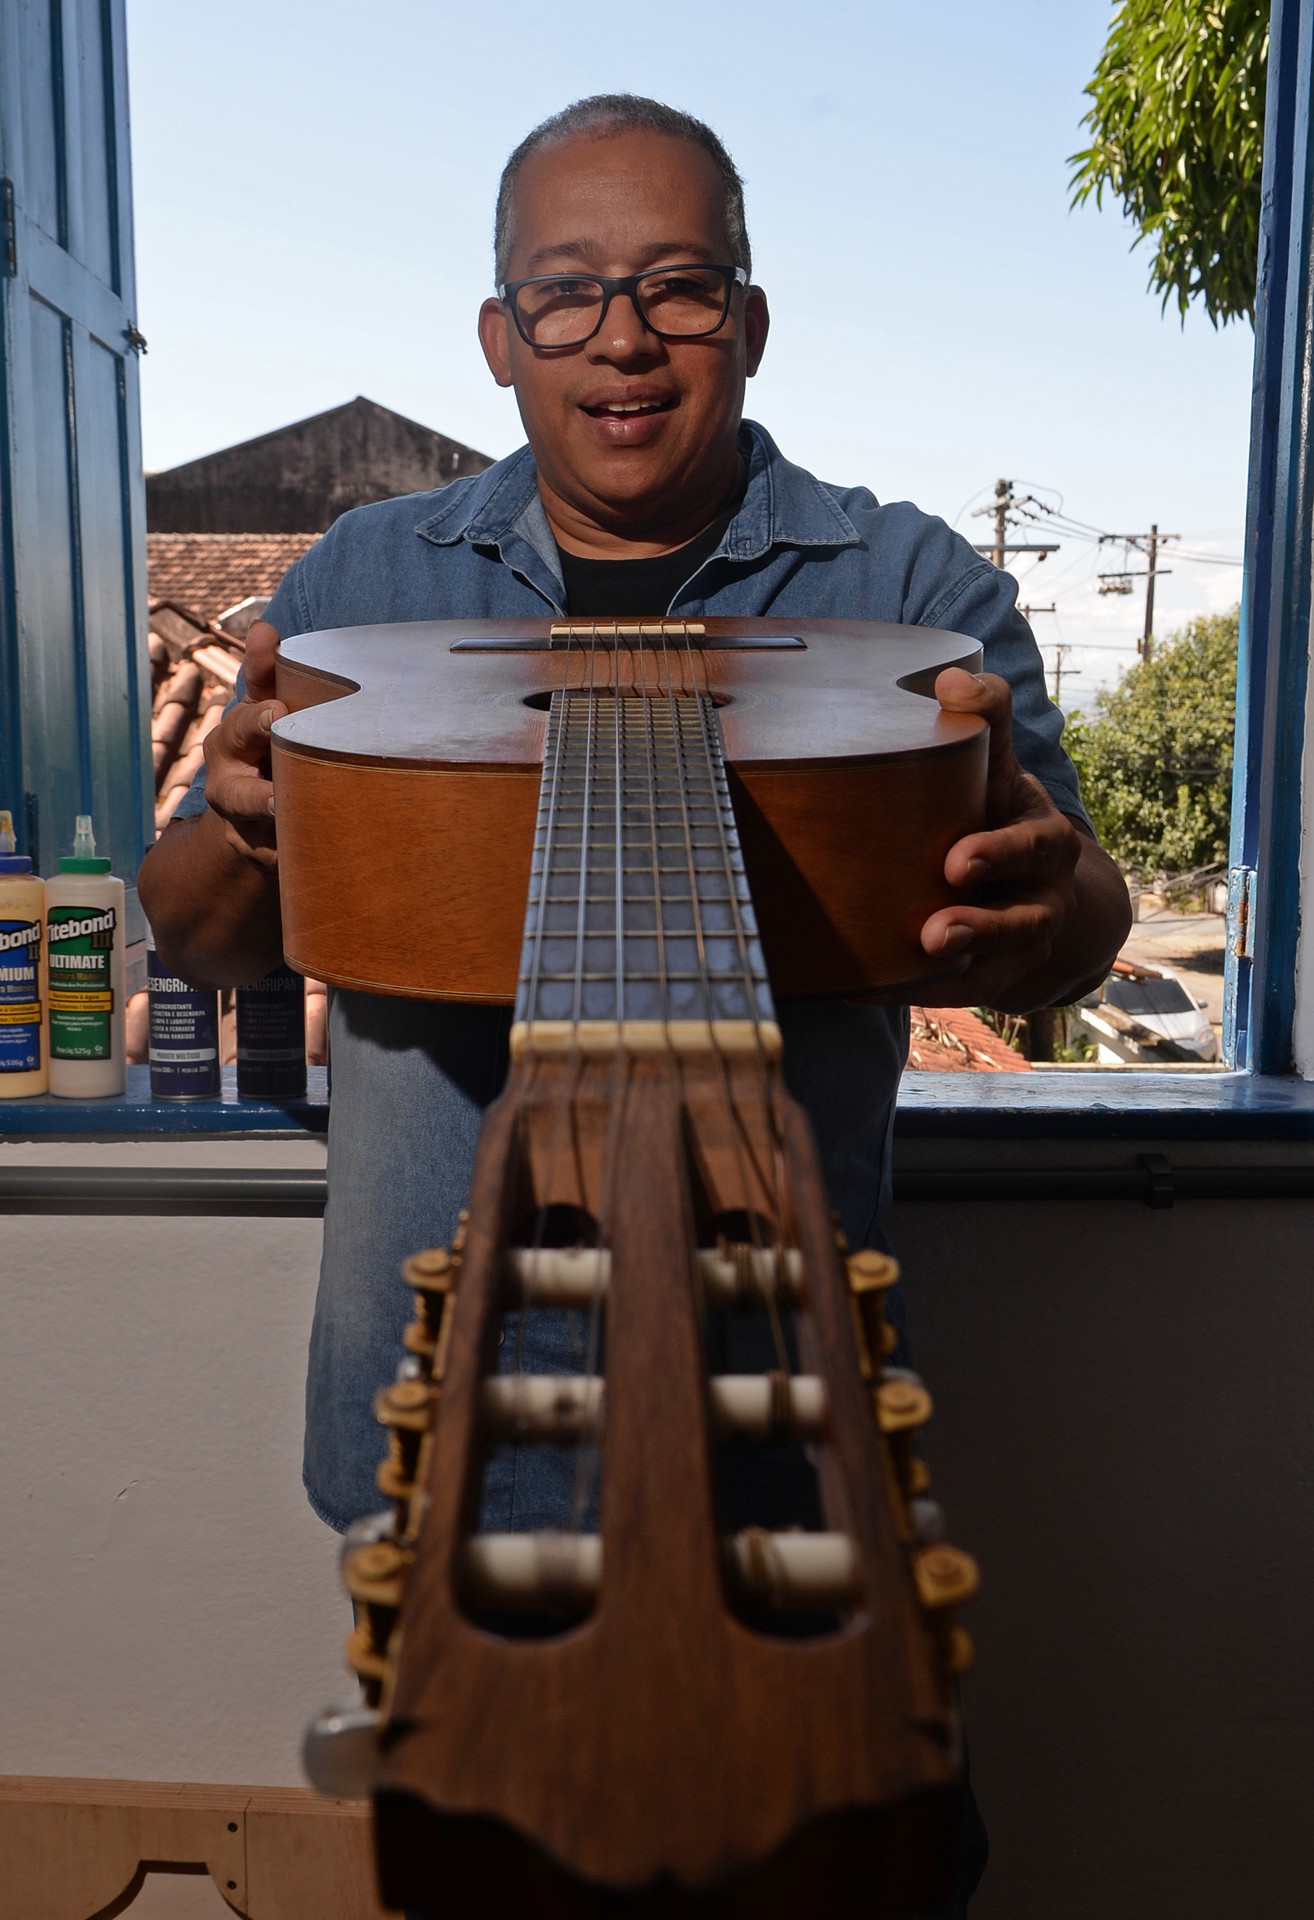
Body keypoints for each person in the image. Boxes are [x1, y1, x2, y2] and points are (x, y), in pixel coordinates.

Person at [139, 92, 1129, 1907]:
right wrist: (240, 815)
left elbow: (1067, 922)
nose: (623, 335)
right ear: (501, 336)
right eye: (569, 289)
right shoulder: (364, 585)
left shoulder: (908, 588)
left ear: (745, 323)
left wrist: (1044, 903)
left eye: (677, 288)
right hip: (435, 1441)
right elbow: (196, 935)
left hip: (782, 1427)